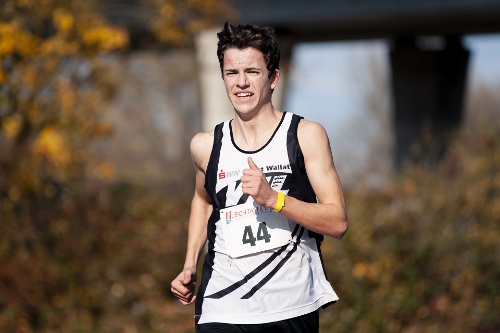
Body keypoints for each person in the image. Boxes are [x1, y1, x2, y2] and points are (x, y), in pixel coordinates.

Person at [171, 22, 348, 333]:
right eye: (232, 73)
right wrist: (189, 264)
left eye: (252, 72)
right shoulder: (205, 146)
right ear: (223, 79)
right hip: (221, 304)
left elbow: (337, 222)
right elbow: (202, 200)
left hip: (290, 305)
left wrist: (274, 199)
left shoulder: (305, 136)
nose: (241, 83)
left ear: (273, 78)